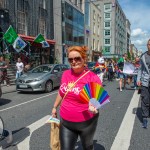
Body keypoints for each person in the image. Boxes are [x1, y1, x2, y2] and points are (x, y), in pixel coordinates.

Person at [51, 46, 102, 150]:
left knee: (87, 147)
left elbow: (98, 99)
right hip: (66, 123)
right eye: (71, 59)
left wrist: (94, 107)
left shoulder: (92, 77)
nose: (74, 62)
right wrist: (54, 107)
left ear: (84, 59)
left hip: (87, 124)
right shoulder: (65, 74)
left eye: (77, 58)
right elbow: (61, 92)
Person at [137, 39, 150, 128]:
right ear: (147, 45)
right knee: (144, 99)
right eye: (149, 44)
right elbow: (140, 69)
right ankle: (145, 118)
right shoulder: (143, 56)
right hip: (145, 80)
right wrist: (138, 79)